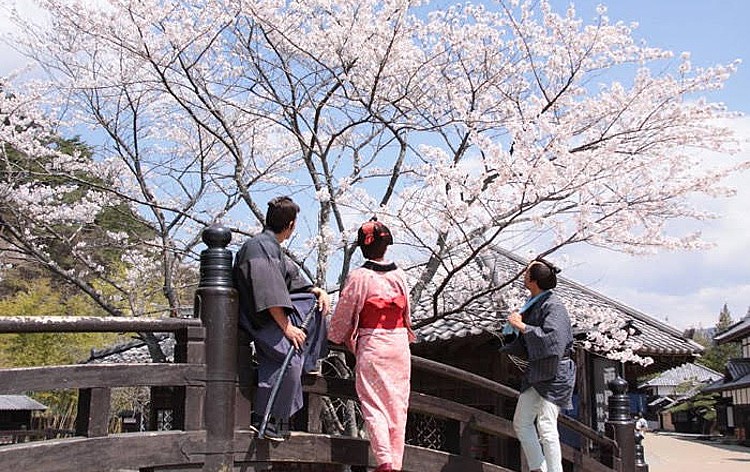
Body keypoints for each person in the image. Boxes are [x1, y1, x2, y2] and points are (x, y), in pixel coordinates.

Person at [232, 196, 330, 441]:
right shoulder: (258, 247)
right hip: (259, 317)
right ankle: (268, 420)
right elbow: (269, 293)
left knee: (314, 305)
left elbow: (290, 281)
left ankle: (308, 363)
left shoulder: (269, 245)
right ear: (291, 225)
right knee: (290, 358)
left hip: (270, 314)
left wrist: (315, 290)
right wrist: (287, 328)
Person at [328, 218, 416, 472]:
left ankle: (385, 461)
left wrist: (335, 337)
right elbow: (407, 311)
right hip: (399, 344)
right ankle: (396, 465)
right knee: (398, 405)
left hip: (374, 343)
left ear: (362, 247)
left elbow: (342, 318)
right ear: (386, 245)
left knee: (374, 404)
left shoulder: (359, 277)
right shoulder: (400, 275)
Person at [500, 258, 575, 472]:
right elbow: (527, 343)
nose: (523, 275)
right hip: (538, 371)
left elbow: (553, 341)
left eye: (526, 273)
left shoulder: (554, 305)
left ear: (533, 281)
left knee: (546, 426)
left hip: (556, 372)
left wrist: (521, 326)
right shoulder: (534, 303)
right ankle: (538, 468)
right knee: (522, 422)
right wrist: (514, 331)